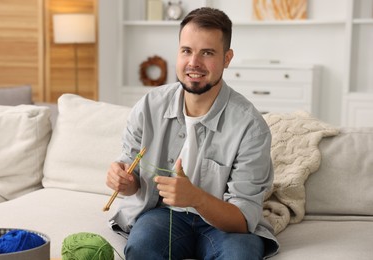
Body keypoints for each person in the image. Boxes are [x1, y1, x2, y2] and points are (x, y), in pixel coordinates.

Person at [106, 7, 279, 260]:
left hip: (225, 224)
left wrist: (196, 198)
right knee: (140, 247)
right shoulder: (148, 107)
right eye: (186, 51)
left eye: (207, 53)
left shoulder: (251, 127)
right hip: (162, 215)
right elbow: (131, 179)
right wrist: (123, 181)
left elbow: (243, 219)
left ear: (227, 58)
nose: (193, 63)